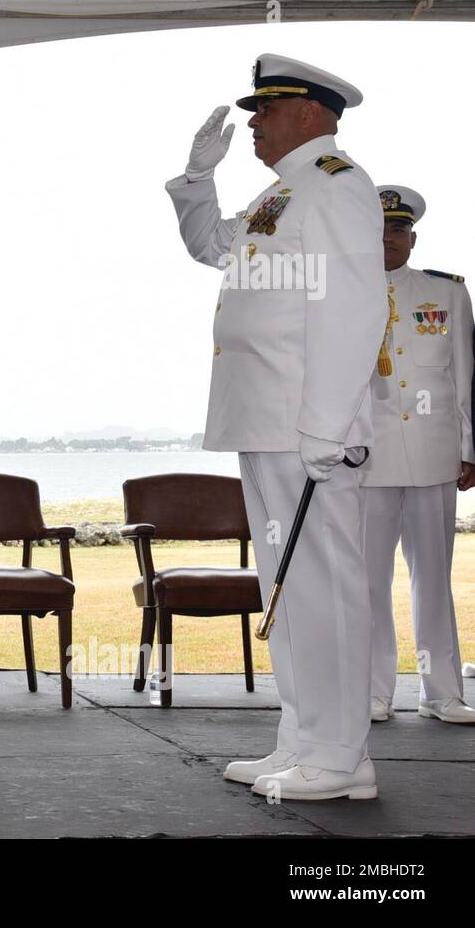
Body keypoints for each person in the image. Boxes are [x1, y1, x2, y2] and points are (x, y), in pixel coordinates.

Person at [165, 54, 387, 799]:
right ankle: (306, 741)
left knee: (327, 587)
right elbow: (209, 248)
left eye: (267, 108)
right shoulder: (279, 196)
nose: (253, 122)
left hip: (305, 423)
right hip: (267, 417)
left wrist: (327, 422)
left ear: (311, 113)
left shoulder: (335, 185)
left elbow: (353, 306)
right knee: (289, 586)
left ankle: (341, 753)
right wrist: (197, 182)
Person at [362, 185, 475, 724]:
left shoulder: (447, 293)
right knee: (368, 580)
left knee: (434, 575)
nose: (389, 238)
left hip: (433, 455)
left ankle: (442, 692)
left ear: (413, 237)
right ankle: (372, 691)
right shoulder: (341, 292)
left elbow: (465, 378)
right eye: (380, 229)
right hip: (366, 457)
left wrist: (469, 447)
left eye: (398, 230)